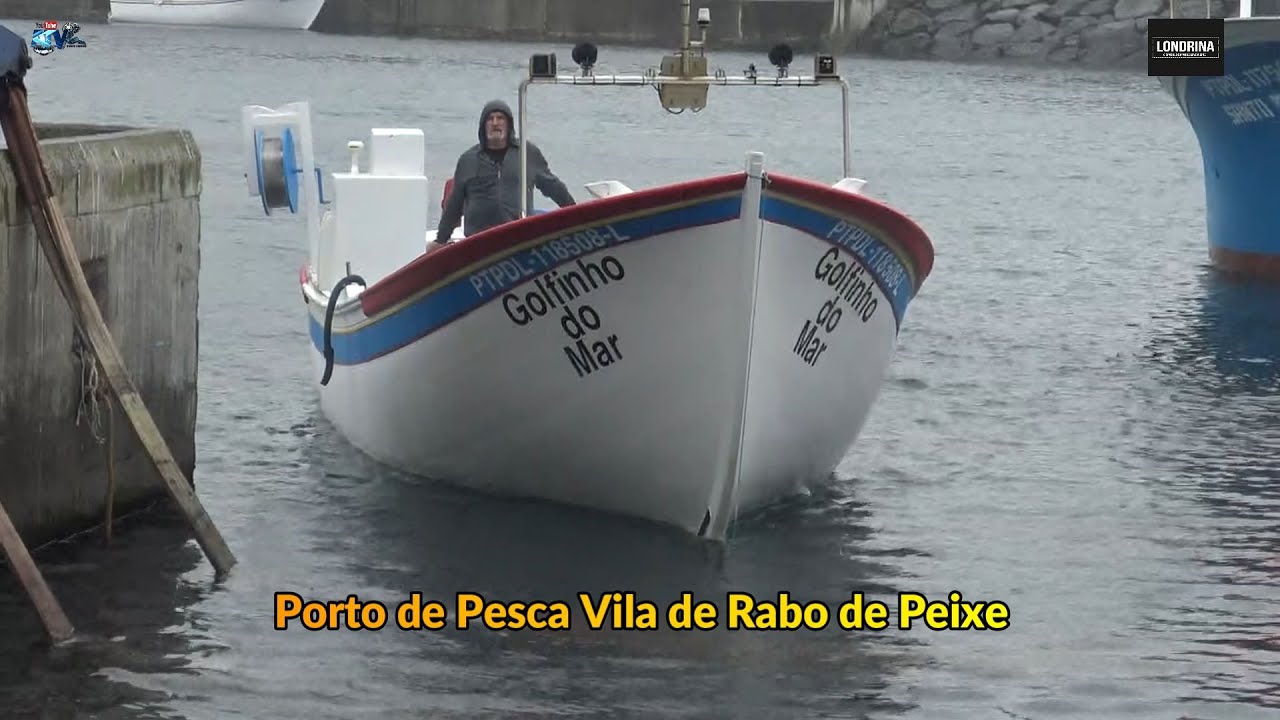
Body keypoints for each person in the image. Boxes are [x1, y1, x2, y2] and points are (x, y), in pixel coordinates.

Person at [428, 99, 576, 254]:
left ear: (509, 124)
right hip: (478, 242)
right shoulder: (468, 160)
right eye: (490, 119)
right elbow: (454, 205)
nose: (495, 123)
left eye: (500, 118)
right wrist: (440, 240)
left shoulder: (527, 153)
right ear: (483, 126)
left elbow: (554, 187)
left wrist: (575, 215)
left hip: (519, 239)